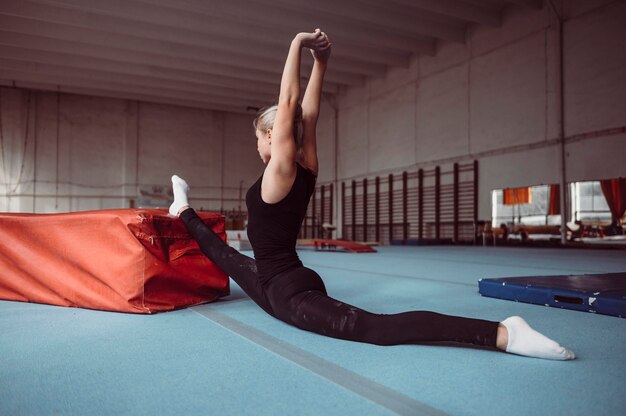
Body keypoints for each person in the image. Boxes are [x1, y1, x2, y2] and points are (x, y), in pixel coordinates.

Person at [169, 29, 575, 361]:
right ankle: (182, 205)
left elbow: (292, 103)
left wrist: (295, 44)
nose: (257, 146)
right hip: (278, 277)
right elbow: (308, 114)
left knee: (378, 329)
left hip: (288, 292)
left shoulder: (279, 173)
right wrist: (321, 61)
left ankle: (503, 334)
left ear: (273, 136)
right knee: (227, 256)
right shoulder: (307, 166)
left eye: (258, 138)